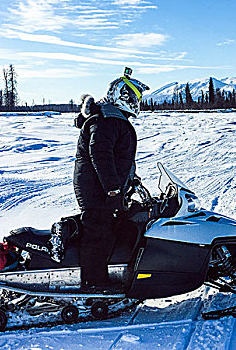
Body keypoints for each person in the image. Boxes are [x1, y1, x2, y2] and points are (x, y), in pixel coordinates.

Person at [73, 67, 149, 292]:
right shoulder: (106, 120)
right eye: (135, 97)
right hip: (97, 189)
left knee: (120, 224)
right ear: (123, 96)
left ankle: (118, 271)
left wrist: (130, 181)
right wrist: (113, 187)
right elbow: (100, 153)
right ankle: (94, 283)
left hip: (103, 187)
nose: (137, 102)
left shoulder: (113, 118)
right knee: (98, 231)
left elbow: (118, 156)